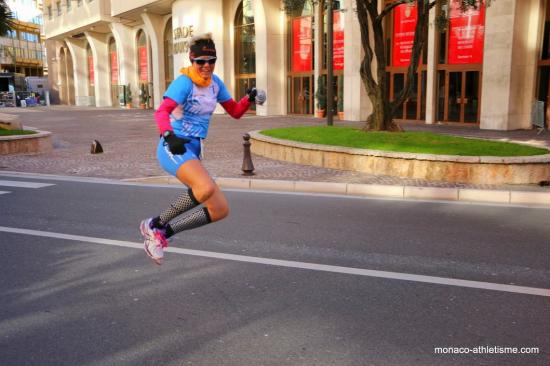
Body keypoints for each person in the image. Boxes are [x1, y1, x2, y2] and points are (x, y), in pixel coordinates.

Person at [140, 33, 266, 265]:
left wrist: (248, 99)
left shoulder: (215, 84)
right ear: (192, 60)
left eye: (211, 60)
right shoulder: (184, 82)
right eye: (201, 61)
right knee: (205, 188)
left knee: (219, 209)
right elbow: (161, 112)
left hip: (193, 149)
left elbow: (235, 112)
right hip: (173, 146)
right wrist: (168, 135)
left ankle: (164, 233)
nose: (206, 66)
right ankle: (154, 225)